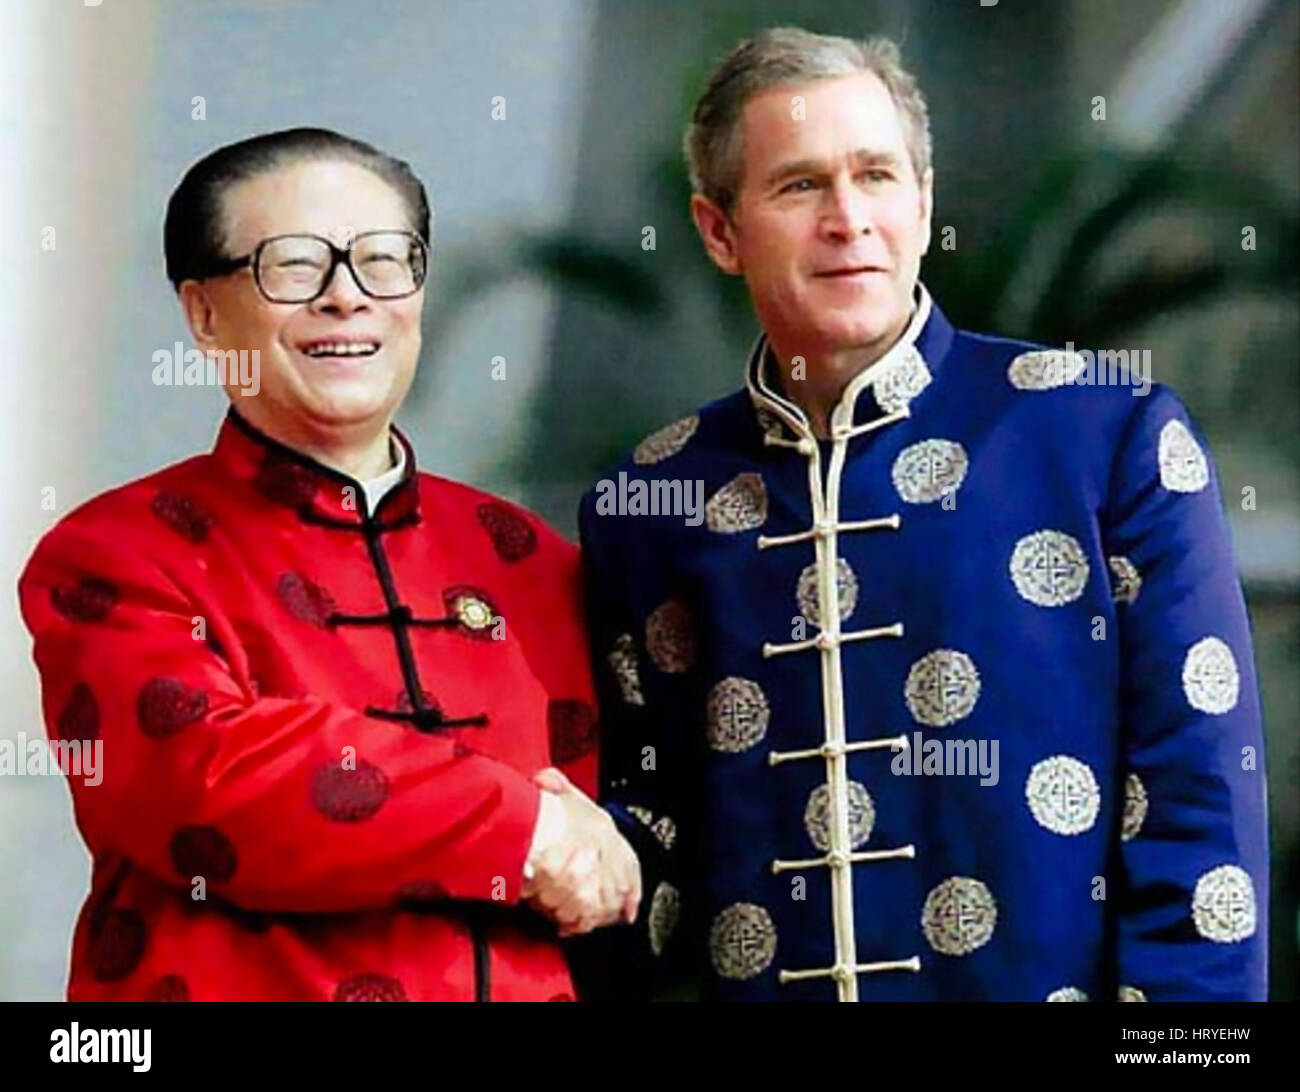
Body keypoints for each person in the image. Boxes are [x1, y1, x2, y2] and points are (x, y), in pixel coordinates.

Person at [577, 28, 1268, 1001]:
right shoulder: (650, 501)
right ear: (717, 231)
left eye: (877, 176)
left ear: (923, 202)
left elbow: (1199, 802)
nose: (848, 217)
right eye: (799, 185)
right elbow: (646, 822)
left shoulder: (1100, 434)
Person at [18, 127, 638, 1002]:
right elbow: (209, 782)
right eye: (294, 266)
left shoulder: (533, 563)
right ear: (203, 313)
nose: (346, 298)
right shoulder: (116, 554)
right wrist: (520, 828)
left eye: (384, 261)